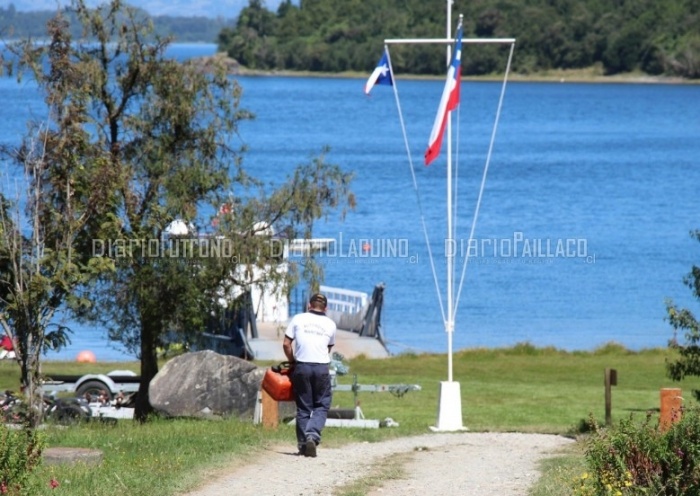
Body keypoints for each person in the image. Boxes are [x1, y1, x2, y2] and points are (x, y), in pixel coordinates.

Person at [283, 292, 336, 458]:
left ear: (309, 306)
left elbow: (286, 344)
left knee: (304, 407)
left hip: (302, 366)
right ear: (325, 308)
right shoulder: (330, 324)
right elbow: (328, 348)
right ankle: (312, 435)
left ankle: (303, 445)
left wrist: (292, 361)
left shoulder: (298, 319)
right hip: (321, 368)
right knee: (321, 405)